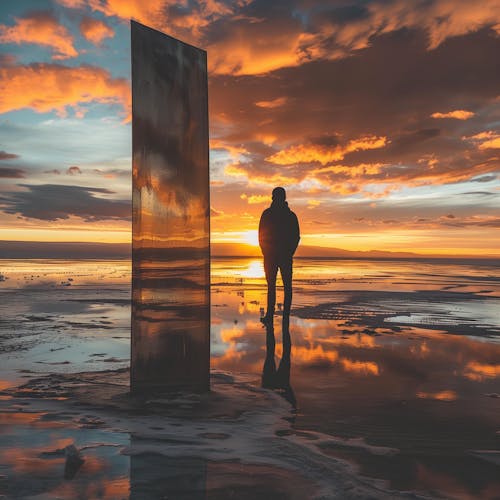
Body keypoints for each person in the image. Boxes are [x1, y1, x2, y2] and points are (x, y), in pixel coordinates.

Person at [258, 187, 300, 326]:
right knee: (274, 287)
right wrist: (267, 252)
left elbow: (296, 237)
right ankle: (272, 316)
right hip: (273, 256)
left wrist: (289, 253)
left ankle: (282, 316)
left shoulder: (289, 216)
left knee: (284, 287)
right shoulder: (269, 214)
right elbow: (261, 236)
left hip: (281, 256)